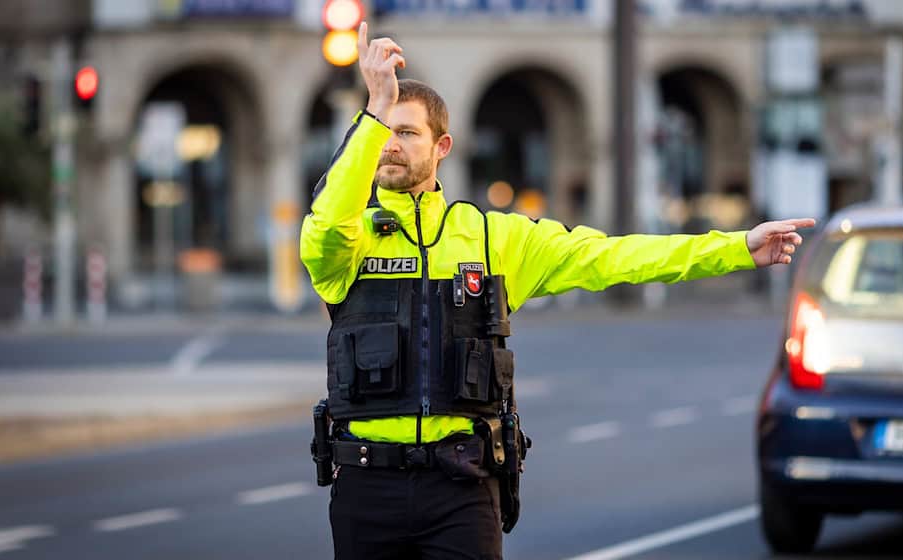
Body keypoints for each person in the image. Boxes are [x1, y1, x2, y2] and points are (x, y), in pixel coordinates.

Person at [300, 22, 816, 560]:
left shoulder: (491, 236)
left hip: (460, 488)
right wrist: (375, 107)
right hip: (367, 487)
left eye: (406, 132)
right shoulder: (349, 238)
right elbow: (328, 221)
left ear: (442, 146)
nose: (389, 144)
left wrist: (737, 248)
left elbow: (615, 257)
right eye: (383, 129)